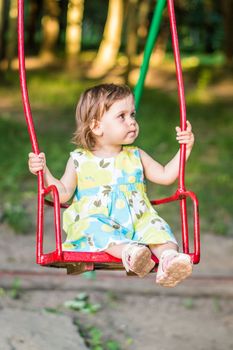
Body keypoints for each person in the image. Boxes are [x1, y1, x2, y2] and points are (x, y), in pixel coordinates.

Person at [28, 83, 195, 287]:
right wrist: (44, 172)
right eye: (122, 116)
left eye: (132, 114)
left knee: (157, 227)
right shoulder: (79, 159)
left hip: (137, 222)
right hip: (100, 222)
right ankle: (131, 253)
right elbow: (62, 194)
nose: (132, 122)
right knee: (93, 227)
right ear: (97, 126)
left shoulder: (136, 155)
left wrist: (184, 150)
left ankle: (169, 259)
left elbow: (166, 175)